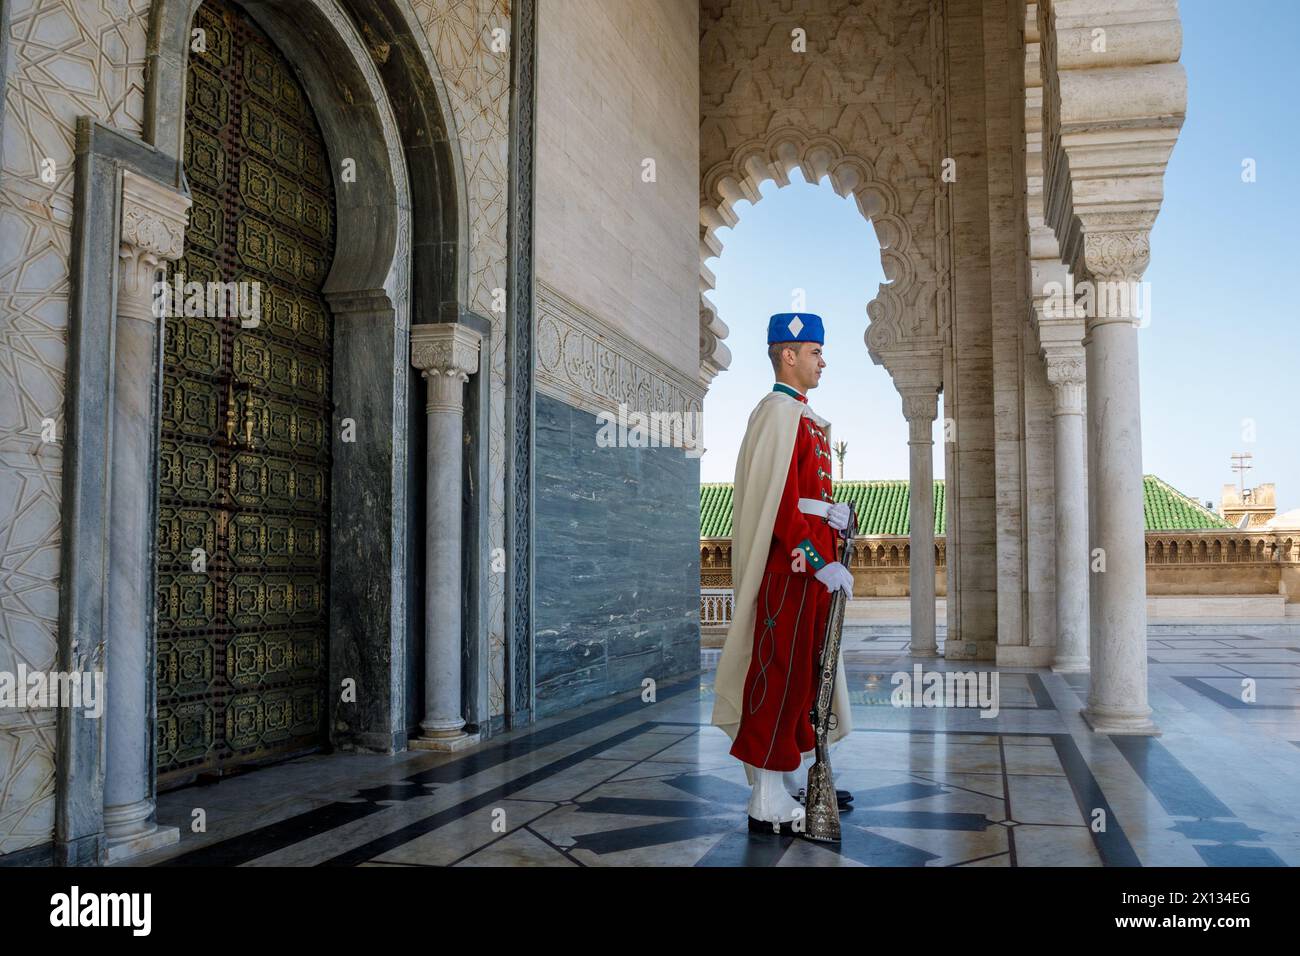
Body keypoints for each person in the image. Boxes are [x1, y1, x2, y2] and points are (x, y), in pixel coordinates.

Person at [711, 312, 855, 835]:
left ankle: (782, 777)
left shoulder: (802, 415)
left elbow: (802, 498)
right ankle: (765, 797)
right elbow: (778, 506)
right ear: (787, 354)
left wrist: (833, 518)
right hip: (787, 572)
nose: (823, 361)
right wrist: (819, 564)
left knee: (804, 678)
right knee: (779, 678)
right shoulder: (776, 413)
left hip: (807, 569)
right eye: (815, 352)